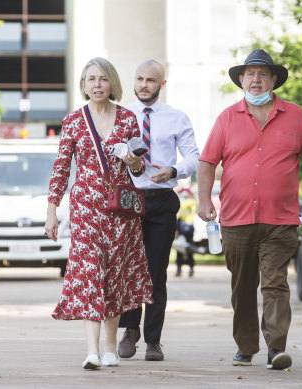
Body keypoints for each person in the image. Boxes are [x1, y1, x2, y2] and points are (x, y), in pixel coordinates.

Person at [196, 49, 302, 370]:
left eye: (262, 74)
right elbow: (206, 163)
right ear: (241, 80)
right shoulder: (227, 118)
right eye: (250, 74)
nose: (256, 79)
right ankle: (246, 347)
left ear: (274, 80)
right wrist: (205, 201)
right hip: (236, 218)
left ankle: (276, 349)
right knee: (243, 287)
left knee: (275, 283)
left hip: (280, 220)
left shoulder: (296, 116)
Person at [45, 57, 153, 370]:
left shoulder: (128, 119)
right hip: (86, 211)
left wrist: (131, 159)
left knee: (114, 276)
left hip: (120, 212)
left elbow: (139, 168)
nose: (97, 85)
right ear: (83, 85)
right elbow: (61, 168)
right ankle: (91, 350)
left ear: (112, 84)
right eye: (91, 79)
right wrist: (51, 211)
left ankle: (110, 347)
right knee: (90, 273)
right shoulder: (74, 121)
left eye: (103, 79)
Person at [118, 60, 199, 361]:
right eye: (139, 78)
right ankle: (130, 330)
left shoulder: (177, 118)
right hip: (128, 199)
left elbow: (193, 157)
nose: (144, 85)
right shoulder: (121, 116)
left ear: (162, 84)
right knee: (128, 268)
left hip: (162, 199)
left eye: (151, 80)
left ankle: (153, 340)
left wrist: (174, 169)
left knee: (155, 272)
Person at [175, 188, 197, 277]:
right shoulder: (182, 201)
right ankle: (179, 269)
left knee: (189, 249)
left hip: (187, 227)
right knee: (180, 249)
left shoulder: (191, 202)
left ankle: (190, 269)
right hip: (181, 226)